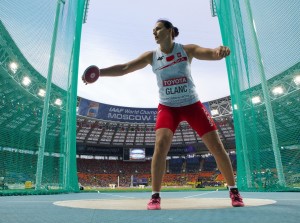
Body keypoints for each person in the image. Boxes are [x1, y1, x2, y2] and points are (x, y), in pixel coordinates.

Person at [82, 19, 244, 209]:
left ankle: (233, 191)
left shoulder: (186, 49)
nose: (154, 32)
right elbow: (125, 68)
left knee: (217, 146)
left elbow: (210, 53)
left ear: (169, 31)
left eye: (158, 29)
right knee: (160, 145)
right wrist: (100, 73)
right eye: (153, 30)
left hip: (192, 104)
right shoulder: (151, 56)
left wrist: (220, 51)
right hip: (168, 107)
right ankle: (155, 196)